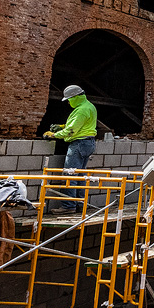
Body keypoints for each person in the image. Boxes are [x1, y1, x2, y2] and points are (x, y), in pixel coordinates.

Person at [43, 85, 97, 214]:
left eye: (69, 99)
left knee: (70, 174)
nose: (68, 102)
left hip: (79, 143)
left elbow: (72, 131)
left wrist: (54, 135)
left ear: (76, 97)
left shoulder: (81, 110)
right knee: (80, 175)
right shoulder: (88, 106)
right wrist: (62, 126)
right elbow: (79, 124)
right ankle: (79, 204)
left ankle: (68, 205)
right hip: (88, 143)